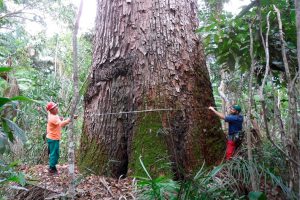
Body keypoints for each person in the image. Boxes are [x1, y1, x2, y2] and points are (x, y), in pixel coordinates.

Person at [46, 102, 76, 174]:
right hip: (53, 138)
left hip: (52, 137)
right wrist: (71, 118)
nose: (56, 108)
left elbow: (58, 119)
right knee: (54, 153)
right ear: (51, 110)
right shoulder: (52, 118)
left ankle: (52, 167)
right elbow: (61, 124)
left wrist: (61, 118)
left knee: (54, 153)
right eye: (54, 108)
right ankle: (51, 168)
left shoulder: (53, 114)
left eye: (56, 106)